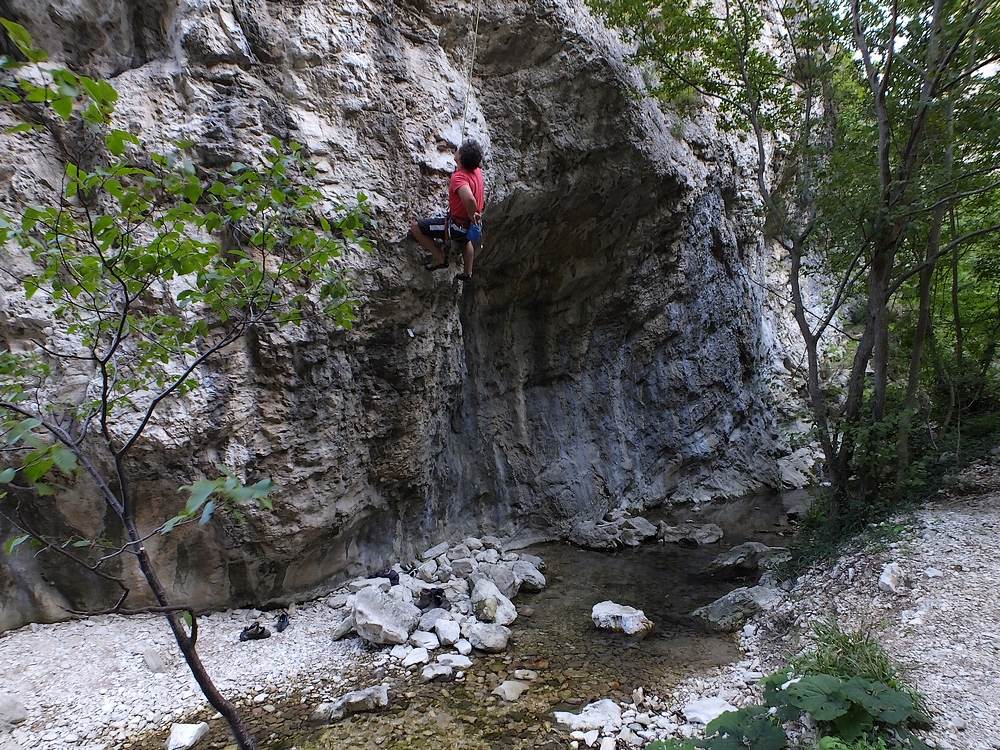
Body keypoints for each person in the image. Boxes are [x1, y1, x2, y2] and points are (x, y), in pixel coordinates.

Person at [410, 139, 485, 282]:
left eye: (459, 150)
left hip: (457, 226)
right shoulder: (477, 171)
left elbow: (469, 199)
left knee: (416, 227)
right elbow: (478, 161)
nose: (456, 149)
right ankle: (467, 272)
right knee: (465, 241)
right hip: (471, 226)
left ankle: (440, 258)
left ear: (461, 158)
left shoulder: (460, 178)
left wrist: (470, 214)